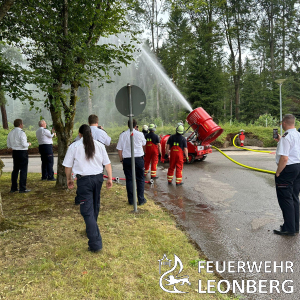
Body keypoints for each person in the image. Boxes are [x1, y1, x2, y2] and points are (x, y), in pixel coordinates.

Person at [63, 124, 112, 252]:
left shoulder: (74, 146)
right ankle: (91, 230)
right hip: (98, 179)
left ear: (80, 134)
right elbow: (107, 164)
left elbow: (67, 166)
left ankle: (95, 243)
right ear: (90, 134)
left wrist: (69, 179)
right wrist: (110, 178)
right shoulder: (100, 145)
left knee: (87, 211)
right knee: (94, 206)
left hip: (84, 181)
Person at [273, 114, 300, 236]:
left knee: (285, 198)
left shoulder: (286, 137)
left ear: (284, 123)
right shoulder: (298, 135)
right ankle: (294, 226)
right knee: (294, 197)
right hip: (297, 167)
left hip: (288, 169)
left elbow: (284, 158)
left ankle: (288, 228)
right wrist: (280, 142)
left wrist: (278, 172)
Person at [116, 119, 147, 205]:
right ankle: (141, 200)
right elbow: (144, 144)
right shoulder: (140, 134)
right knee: (140, 179)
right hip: (138, 159)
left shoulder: (122, 135)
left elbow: (119, 149)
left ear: (127, 125)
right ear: (136, 126)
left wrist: (121, 160)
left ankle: (131, 201)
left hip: (127, 159)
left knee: (129, 179)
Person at [7, 119, 31, 193]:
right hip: (22, 152)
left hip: (15, 152)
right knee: (23, 170)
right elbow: (24, 144)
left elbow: (8, 145)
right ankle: (22, 188)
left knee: (15, 170)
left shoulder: (10, 133)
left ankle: (13, 187)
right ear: (20, 124)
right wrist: (28, 144)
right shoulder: (21, 132)